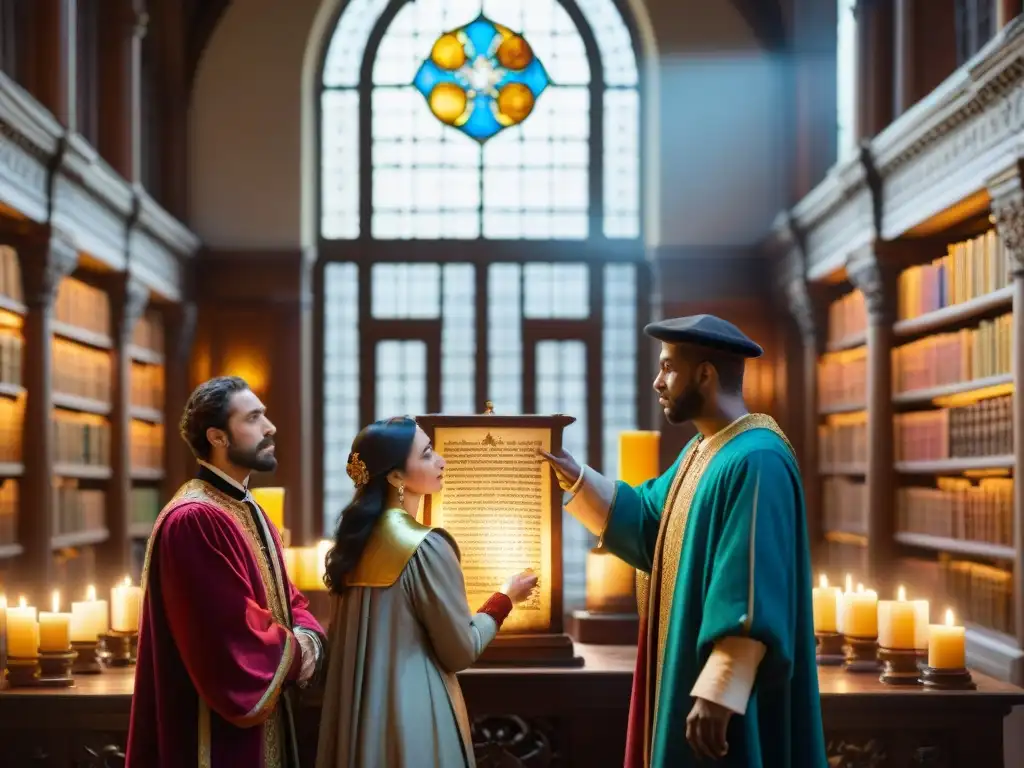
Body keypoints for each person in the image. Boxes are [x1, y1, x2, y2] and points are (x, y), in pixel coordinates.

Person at [541, 315, 826, 768]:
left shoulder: (757, 459)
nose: (658, 382)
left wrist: (721, 688)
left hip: (725, 692)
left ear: (705, 374)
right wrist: (576, 478)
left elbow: (750, 583)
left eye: (668, 367)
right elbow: (649, 518)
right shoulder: (703, 449)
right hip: (688, 671)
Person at [316, 416, 539, 768]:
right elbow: (459, 651)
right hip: (413, 719)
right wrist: (504, 598)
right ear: (395, 476)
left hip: (355, 717)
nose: (441, 461)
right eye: (427, 454)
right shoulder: (424, 546)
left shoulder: (351, 544)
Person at [126, 376, 326, 767]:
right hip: (212, 735)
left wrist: (308, 635)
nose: (270, 428)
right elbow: (228, 638)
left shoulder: (247, 507)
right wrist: (301, 648)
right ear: (217, 437)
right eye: (253, 418)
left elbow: (288, 598)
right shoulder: (196, 519)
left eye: (264, 416)